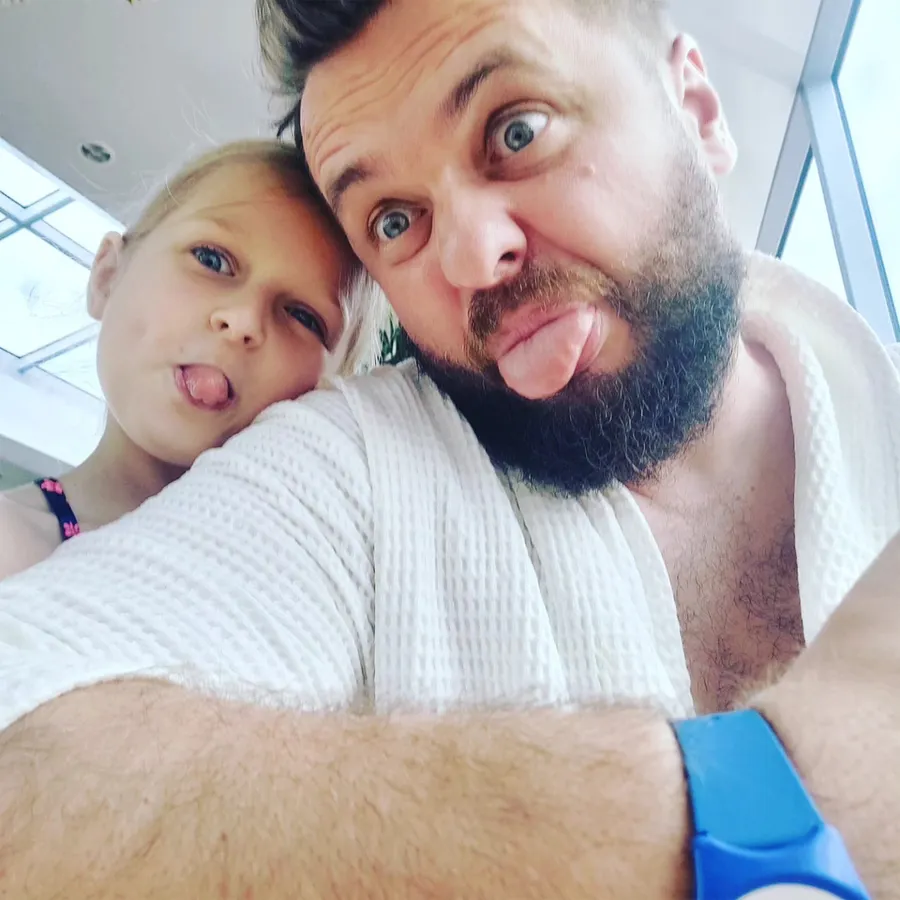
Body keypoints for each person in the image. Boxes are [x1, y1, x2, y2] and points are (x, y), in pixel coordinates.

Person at [0, 0, 899, 896]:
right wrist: (777, 807)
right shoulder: (348, 463)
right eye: (394, 221)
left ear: (696, 110)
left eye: (517, 131)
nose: (469, 259)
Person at [0, 139, 379, 581]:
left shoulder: (322, 582)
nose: (243, 321)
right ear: (107, 276)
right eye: (211, 259)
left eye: (303, 316)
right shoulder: (13, 545)